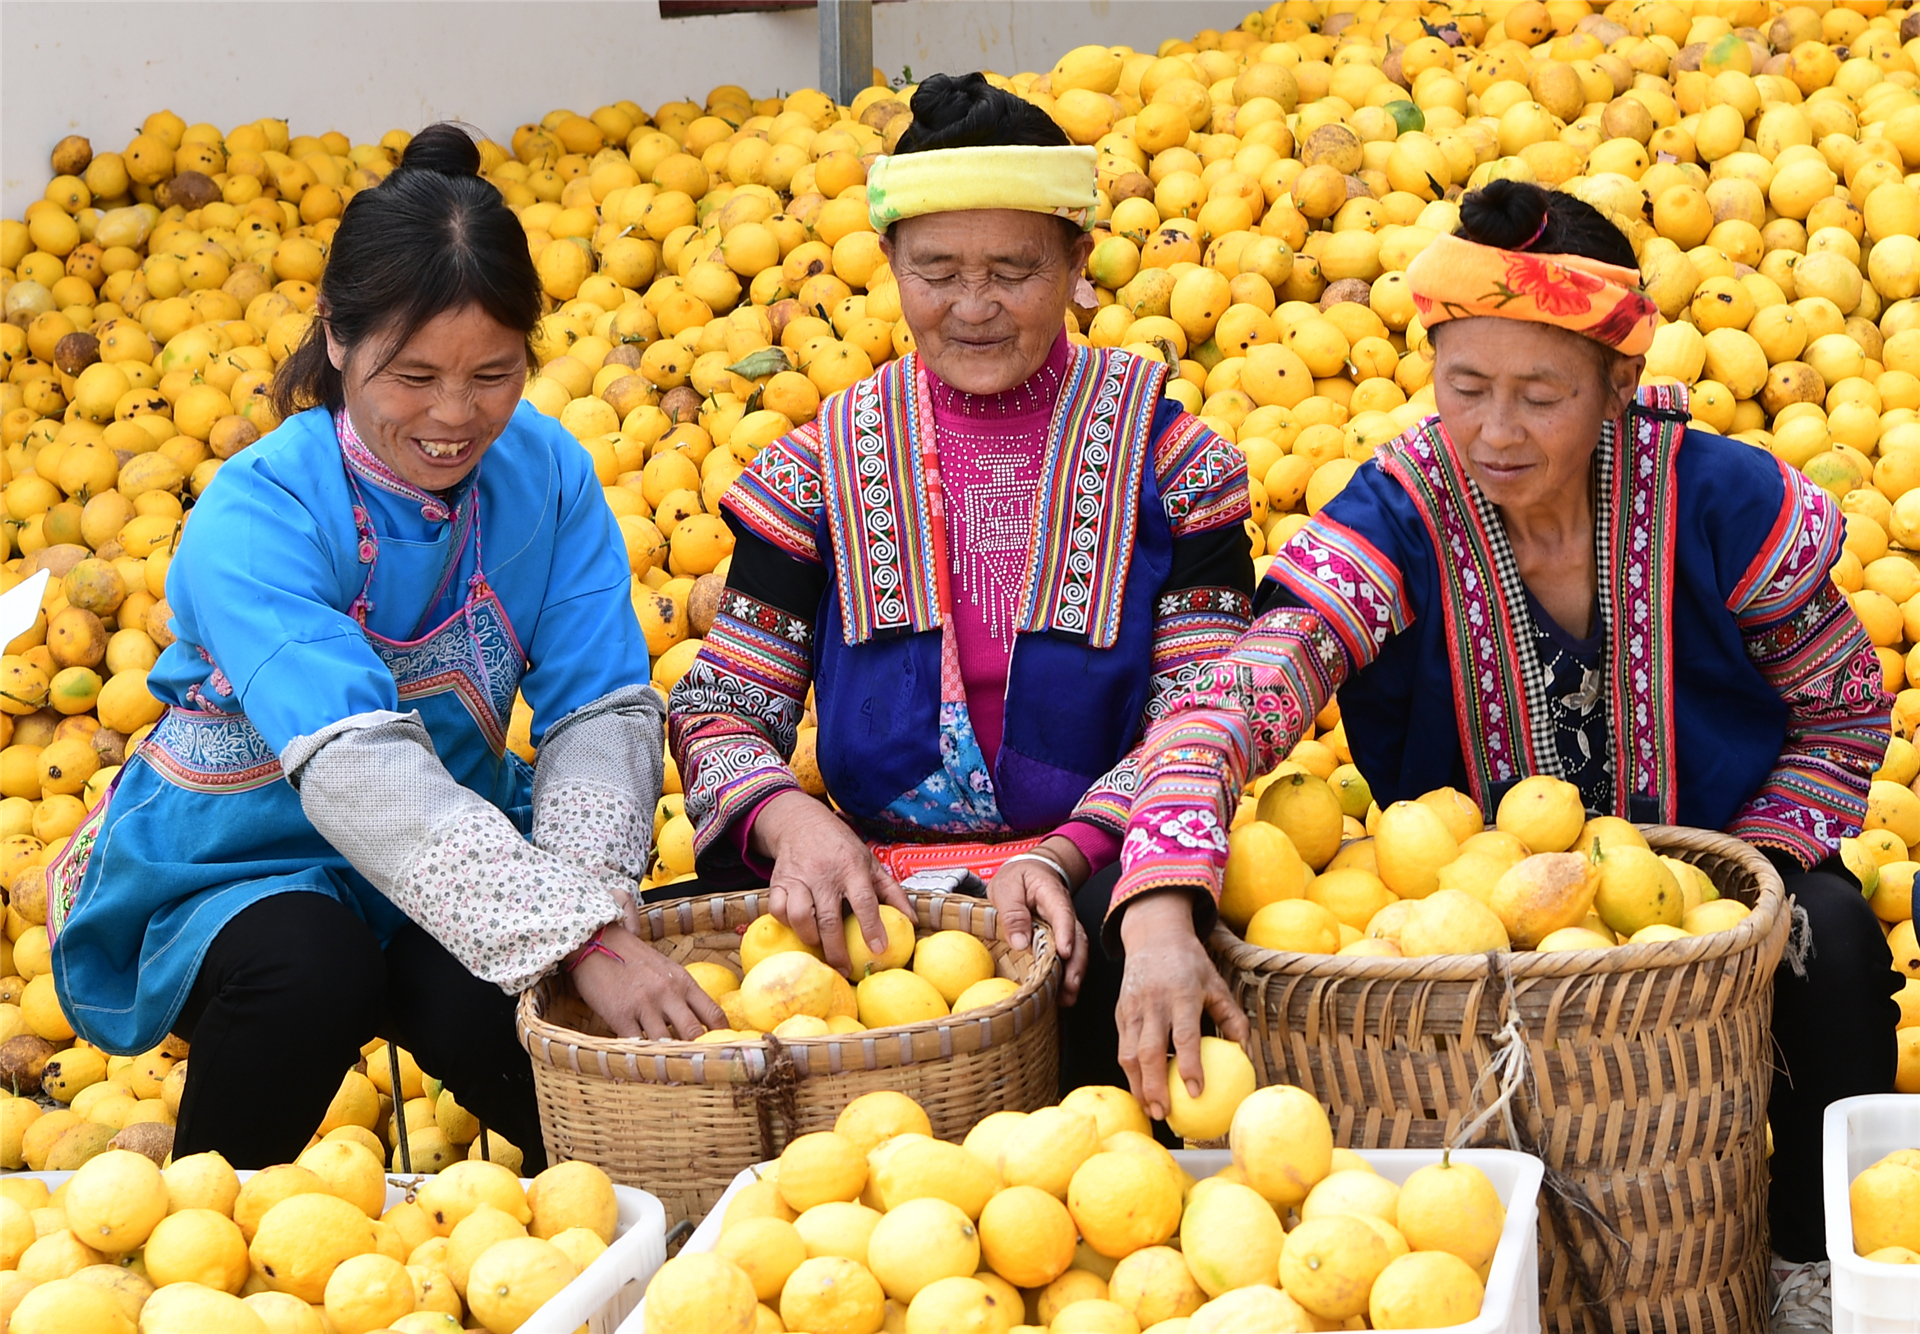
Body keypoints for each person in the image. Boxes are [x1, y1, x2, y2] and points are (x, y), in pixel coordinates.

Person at [1111, 180, 1903, 1328]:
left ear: (1619, 387)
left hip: (1714, 891)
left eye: (1542, 394)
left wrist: (1753, 878)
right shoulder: (1399, 510)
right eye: (1465, 387)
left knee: (1834, 941)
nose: (1495, 429)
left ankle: (1801, 1259)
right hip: (1453, 914)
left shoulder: (1722, 501)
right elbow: (1245, 689)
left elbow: (1839, 707)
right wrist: (1158, 898)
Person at [48, 124, 724, 1171]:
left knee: (527, 998)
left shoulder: (545, 471)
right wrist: (576, 934)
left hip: (458, 840)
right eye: (413, 376)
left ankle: (660, 1221)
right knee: (313, 969)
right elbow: (357, 768)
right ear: (333, 331)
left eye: (494, 375)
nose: (455, 417)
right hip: (239, 857)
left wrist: (592, 910)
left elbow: (600, 706)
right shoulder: (258, 510)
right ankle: (198, 1241)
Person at [668, 73, 1256, 1091]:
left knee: (1160, 940)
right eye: (936, 270)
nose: (973, 307)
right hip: (880, 902)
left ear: (1078, 262)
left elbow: (1199, 714)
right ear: (889, 263)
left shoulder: (1176, 462)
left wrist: (1072, 853)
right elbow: (722, 706)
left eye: (1014, 270)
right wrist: (795, 823)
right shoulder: (816, 468)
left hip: (1107, 866)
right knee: (704, 956)